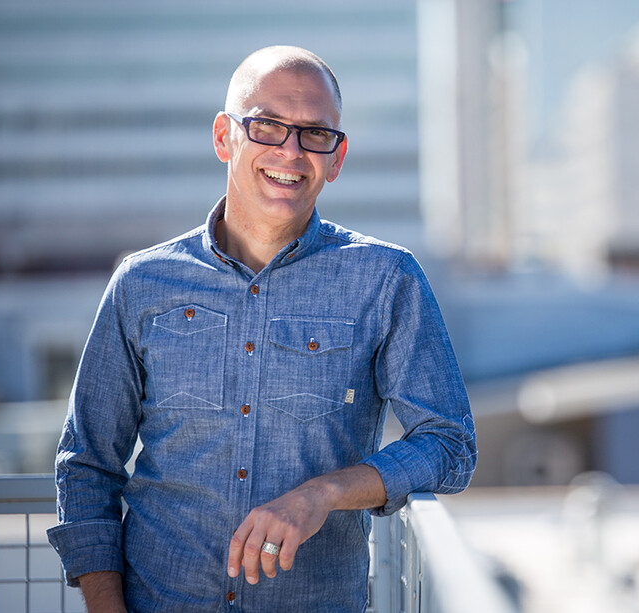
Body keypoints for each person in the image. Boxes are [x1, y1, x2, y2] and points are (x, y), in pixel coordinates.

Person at [47, 46, 477, 613]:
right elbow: (86, 467)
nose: (291, 153)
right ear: (225, 137)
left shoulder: (386, 279)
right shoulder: (143, 283)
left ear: (337, 157)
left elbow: (449, 445)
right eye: (269, 127)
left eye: (314, 134)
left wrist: (323, 494)